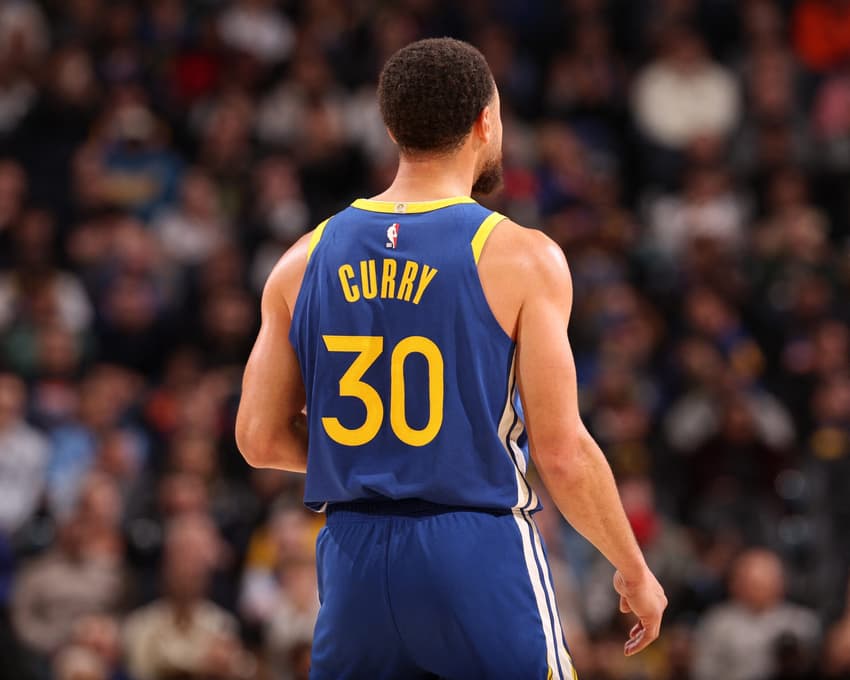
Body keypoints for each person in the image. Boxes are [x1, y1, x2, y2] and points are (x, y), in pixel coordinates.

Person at [236, 37, 666, 679]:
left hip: (353, 563)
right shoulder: (520, 255)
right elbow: (562, 452)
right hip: (474, 549)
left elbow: (257, 436)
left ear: (390, 128)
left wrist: (378, 456)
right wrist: (633, 569)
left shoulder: (301, 259)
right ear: (486, 122)